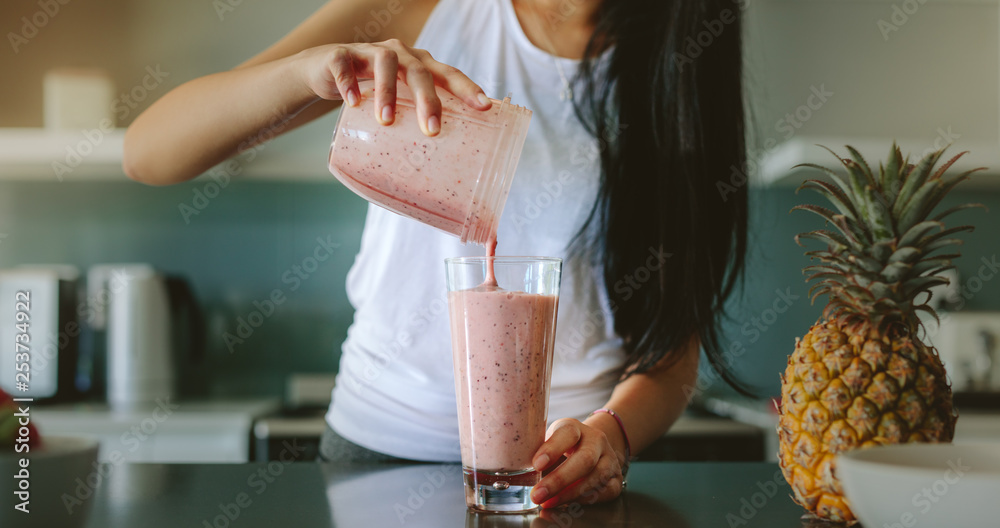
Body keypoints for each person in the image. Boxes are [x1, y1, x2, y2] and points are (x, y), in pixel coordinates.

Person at [124, 0, 749, 508]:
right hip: (374, 459)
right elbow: (150, 152)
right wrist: (309, 71)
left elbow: (673, 355)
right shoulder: (424, 13)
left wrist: (611, 434)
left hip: (558, 480)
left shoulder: (680, 70)